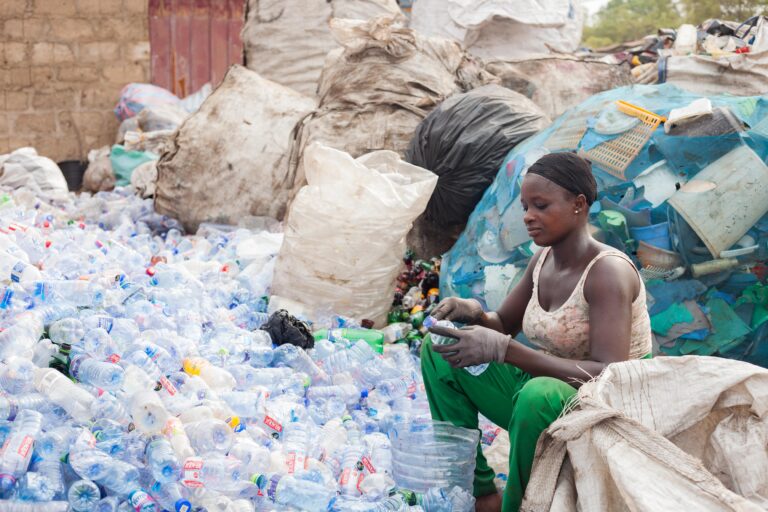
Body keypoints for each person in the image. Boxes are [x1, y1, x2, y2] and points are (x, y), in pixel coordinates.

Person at [422, 152, 652, 512]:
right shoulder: (543, 259)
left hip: (606, 409)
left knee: (537, 393)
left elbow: (610, 372)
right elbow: (503, 325)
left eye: (541, 206)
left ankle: (522, 506)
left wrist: (504, 350)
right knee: (439, 347)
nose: (529, 216)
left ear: (578, 205)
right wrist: (474, 313)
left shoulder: (607, 273)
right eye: (526, 206)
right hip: (547, 395)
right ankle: (479, 492)